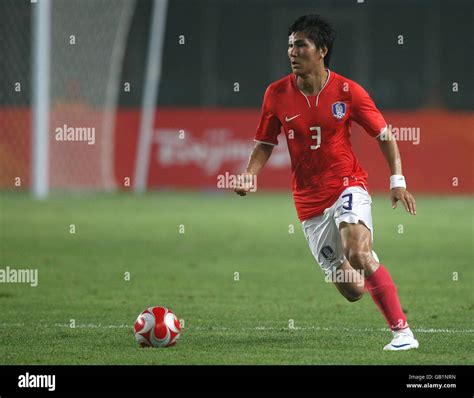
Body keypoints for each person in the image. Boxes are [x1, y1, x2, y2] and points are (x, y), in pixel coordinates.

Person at [234, 14, 419, 350]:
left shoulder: (348, 92)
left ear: (321, 50)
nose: (292, 51)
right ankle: (369, 268)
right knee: (353, 291)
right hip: (309, 203)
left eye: (300, 45)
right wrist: (249, 173)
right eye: (290, 45)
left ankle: (402, 332)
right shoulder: (276, 94)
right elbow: (264, 142)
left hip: (347, 184)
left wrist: (397, 179)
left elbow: (384, 135)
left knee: (358, 251)